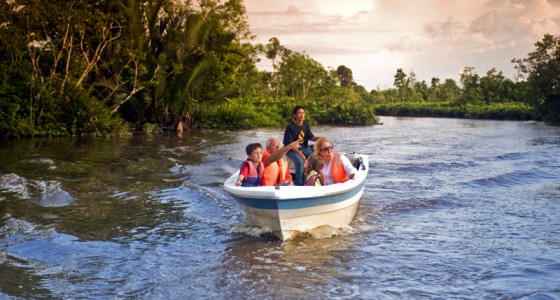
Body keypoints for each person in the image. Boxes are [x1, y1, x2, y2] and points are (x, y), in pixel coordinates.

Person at [283, 106, 320, 185]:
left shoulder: (305, 124)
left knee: (314, 157)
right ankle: (299, 183)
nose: (302, 115)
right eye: (299, 113)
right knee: (299, 161)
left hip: (303, 148)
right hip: (290, 150)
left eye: (303, 113)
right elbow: (289, 144)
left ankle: (312, 178)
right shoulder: (290, 127)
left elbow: (311, 137)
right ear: (295, 115)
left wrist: (320, 138)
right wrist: (301, 155)